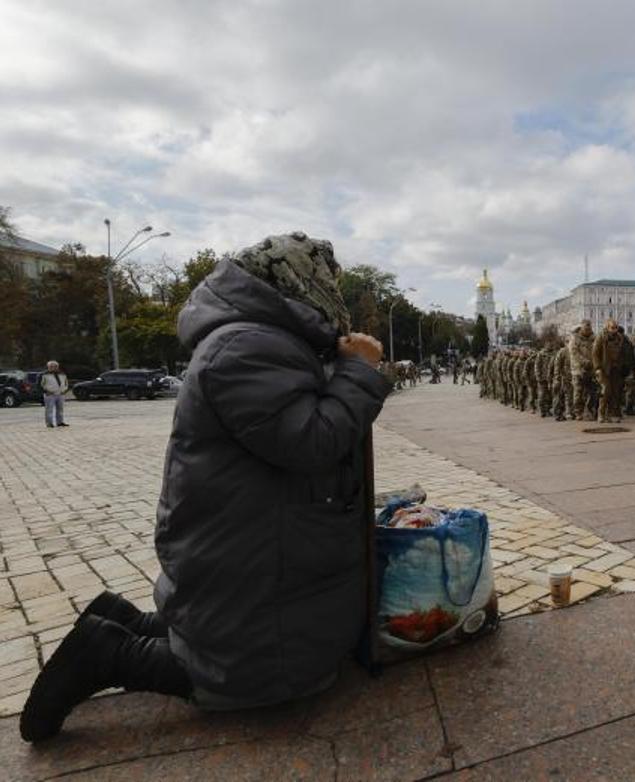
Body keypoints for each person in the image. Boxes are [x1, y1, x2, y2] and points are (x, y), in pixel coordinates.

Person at [20, 232, 391, 743]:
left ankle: (124, 620)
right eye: (328, 281)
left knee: (230, 626)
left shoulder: (256, 337)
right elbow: (310, 440)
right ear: (297, 283)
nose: (335, 292)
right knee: (255, 671)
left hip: (246, 530)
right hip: (249, 540)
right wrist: (358, 372)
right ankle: (111, 654)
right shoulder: (247, 346)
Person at [592, 320, 628, 423]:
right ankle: (601, 413)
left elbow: (624, 353)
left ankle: (611, 414)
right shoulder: (601, 337)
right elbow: (595, 353)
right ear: (607, 327)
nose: (614, 330)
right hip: (604, 369)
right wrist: (597, 368)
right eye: (612, 327)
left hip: (616, 369)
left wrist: (624, 366)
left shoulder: (620, 338)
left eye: (616, 327)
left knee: (616, 392)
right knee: (606, 390)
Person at [569, 320, 597, 422]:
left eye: (589, 328)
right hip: (578, 370)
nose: (588, 330)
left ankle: (589, 411)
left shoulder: (593, 338)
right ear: (581, 328)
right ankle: (578, 412)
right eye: (586, 328)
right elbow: (574, 354)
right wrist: (584, 361)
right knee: (578, 392)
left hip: (591, 369)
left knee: (592, 392)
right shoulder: (575, 339)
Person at [40, 361, 70, 428]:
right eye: (51, 366)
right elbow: (40, 385)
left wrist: (65, 390)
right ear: (48, 367)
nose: (54, 368)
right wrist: (46, 391)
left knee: (60, 409)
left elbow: (66, 383)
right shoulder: (44, 374)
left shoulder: (62, 374)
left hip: (60, 394)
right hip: (50, 394)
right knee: (49, 410)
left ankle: (60, 422)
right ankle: (49, 423)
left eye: (55, 366)